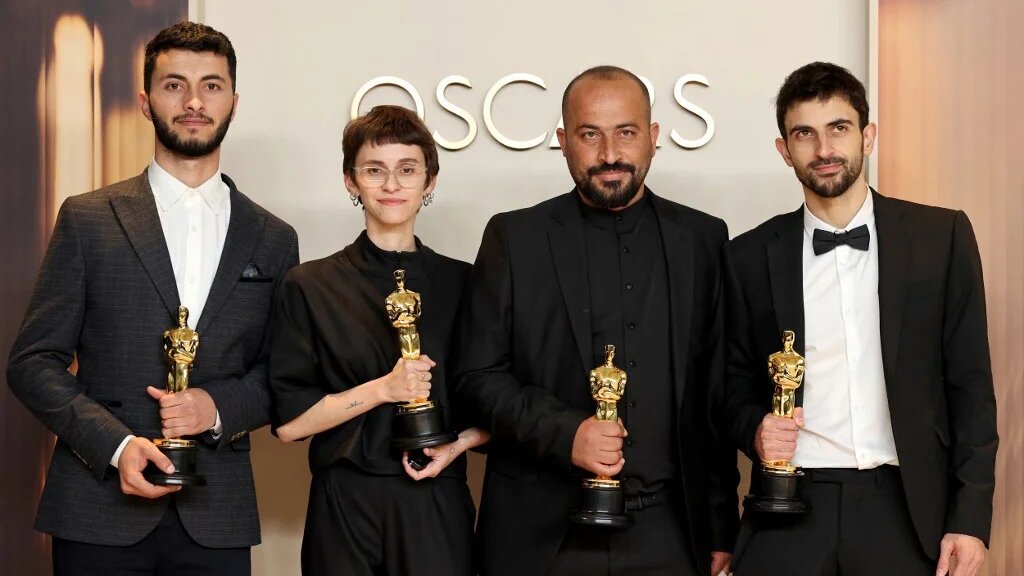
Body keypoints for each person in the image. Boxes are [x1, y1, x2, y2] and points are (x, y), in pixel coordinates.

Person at [6, 21, 299, 575]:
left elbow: (282, 373)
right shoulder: (88, 219)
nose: (193, 101)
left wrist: (217, 409)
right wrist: (116, 446)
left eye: (212, 85)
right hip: (97, 509)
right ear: (145, 102)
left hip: (217, 515)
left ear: (234, 101)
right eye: (174, 85)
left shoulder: (274, 237)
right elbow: (32, 362)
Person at [454, 65, 738, 576]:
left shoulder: (703, 239)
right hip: (541, 538)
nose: (610, 154)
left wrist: (720, 526)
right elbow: (476, 377)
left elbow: (712, 395)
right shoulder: (514, 238)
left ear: (652, 138)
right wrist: (567, 434)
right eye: (590, 135)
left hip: (671, 535)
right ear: (563, 141)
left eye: (626, 132)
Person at [720, 61, 997, 576]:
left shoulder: (941, 238)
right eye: (804, 133)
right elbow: (730, 385)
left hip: (907, 508)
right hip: (787, 508)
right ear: (784, 150)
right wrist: (755, 431)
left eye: (839, 129)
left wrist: (971, 519)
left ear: (867, 137)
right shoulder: (747, 256)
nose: (823, 150)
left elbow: (972, 390)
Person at [269, 104, 488, 576]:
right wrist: (384, 390)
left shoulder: (467, 284)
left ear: (429, 181)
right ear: (351, 181)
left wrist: (456, 445)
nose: (391, 186)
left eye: (407, 170)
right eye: (375, 170)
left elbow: (502, 402)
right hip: (344, 502)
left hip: (437, 497)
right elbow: (290, 426)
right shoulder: (308, 285)